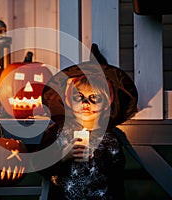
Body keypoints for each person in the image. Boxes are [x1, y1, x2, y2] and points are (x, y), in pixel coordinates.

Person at [36, 44, 138, 200]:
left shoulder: (109, 138)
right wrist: (64, 156)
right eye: (79, 97)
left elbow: (116, 176)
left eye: (94, 98)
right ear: (69, 101)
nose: (85, 104)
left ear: (106, 103)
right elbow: (40, 165)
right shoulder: (57, 133)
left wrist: (98, 157)